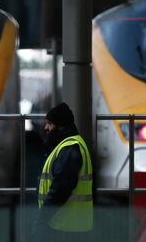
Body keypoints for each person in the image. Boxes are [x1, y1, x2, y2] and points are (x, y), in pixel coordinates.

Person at [30, 102, 93, 241]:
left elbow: (60, 189)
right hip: (68, 224)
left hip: (65, 227)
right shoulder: (68, 145)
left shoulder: (70, 148)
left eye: (50, 124)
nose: (46, 127)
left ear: (61, 126)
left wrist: (41, 220)